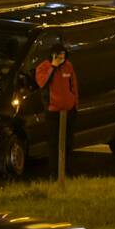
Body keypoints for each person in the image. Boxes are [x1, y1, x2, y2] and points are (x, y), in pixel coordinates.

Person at [35, 43, 79, 178]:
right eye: (59, 56)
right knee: (54, 143)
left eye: (63, 56)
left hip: (69, 109)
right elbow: (42, 83)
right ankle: (54, 173)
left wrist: (75, 104)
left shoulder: (68, 66)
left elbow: (74, 85)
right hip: (53, 111)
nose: (62, 59)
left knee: (68, 143)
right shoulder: (43, 67)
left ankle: (68, 172)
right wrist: (53, 67)